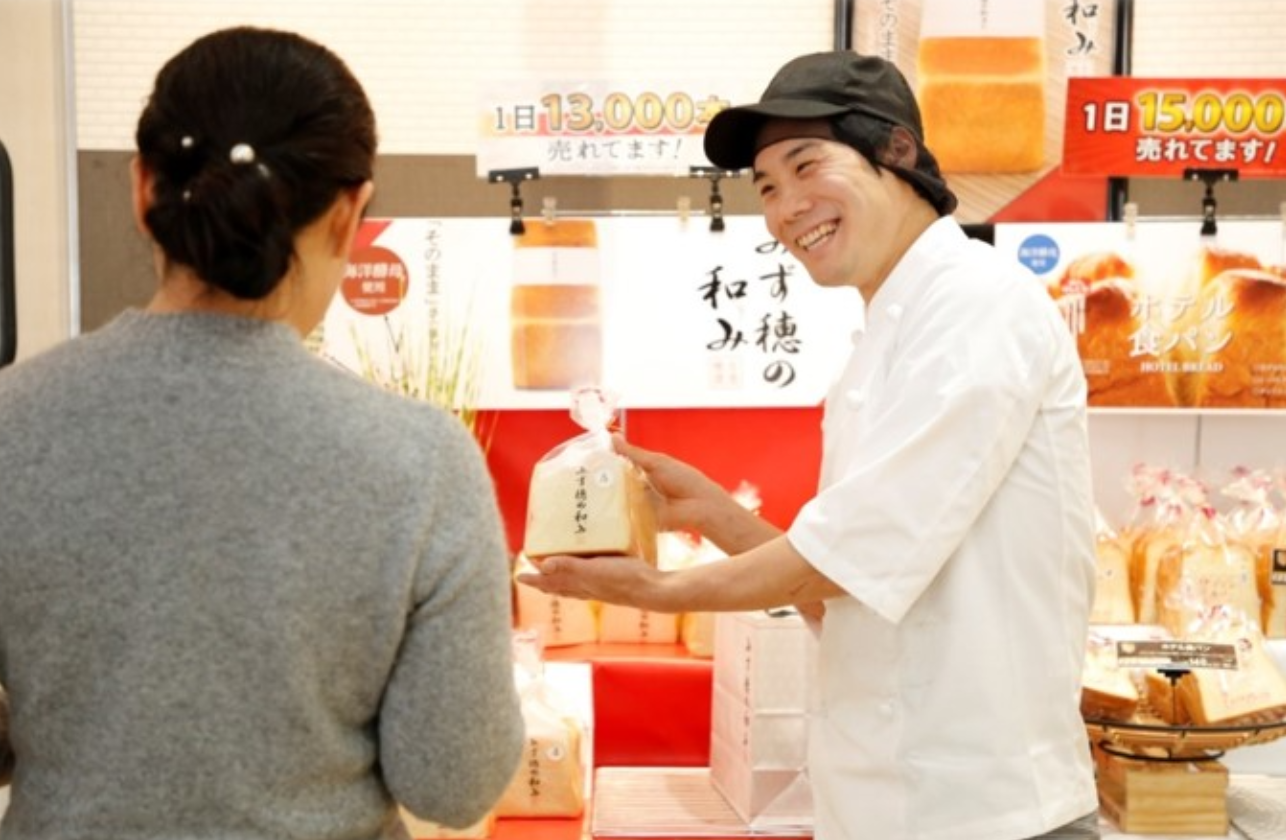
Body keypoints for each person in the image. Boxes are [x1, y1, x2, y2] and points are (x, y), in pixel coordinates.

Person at [520, 51, 1100, 840]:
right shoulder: (881, 337)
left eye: (807, 165)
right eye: (766, 187)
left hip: (993, 812)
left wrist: (653, 591)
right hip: (882, 806)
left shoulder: (977, 302)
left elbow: (854, 553)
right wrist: (714, 514)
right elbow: (842, 586)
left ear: (897, 150)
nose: (788, 207)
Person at [0, 27, 523, 839]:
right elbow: (453, 782)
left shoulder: (11, 425)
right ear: (349, 214)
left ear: (142, 188)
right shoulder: (421, 462)